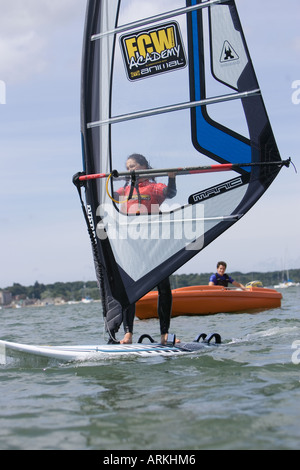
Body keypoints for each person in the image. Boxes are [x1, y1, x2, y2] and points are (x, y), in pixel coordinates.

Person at [114, 153, 177, 345]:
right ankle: (128, 333)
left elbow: (171, 193)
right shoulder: (124, 189)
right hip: (131, 243)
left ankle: (165, 334)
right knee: (127, 288)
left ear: (144, 167)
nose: (130, 169)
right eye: (128, 167)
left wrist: (171, 177)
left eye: (133, 166)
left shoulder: (156, 187)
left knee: (163, 288)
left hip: (155, 242)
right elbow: (103, 195)